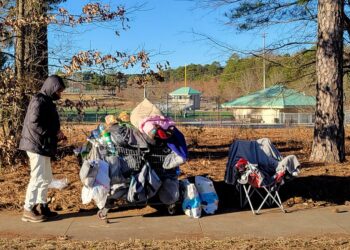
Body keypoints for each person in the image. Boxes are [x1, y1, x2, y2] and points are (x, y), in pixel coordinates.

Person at [19, 75, 66, 222]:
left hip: (43, 145)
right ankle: (28, 209)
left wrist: (57, 133)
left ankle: (41, 206)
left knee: (45, 178)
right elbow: (35, 124)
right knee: (38, 177)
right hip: (35, 144)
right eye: (59, 91)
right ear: (52, 88)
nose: (60, 94)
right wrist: (53, 133)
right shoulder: (39, 101)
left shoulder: (47, 101)